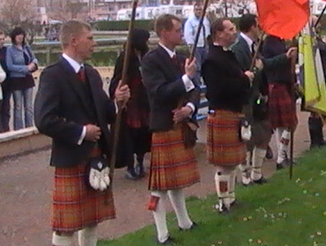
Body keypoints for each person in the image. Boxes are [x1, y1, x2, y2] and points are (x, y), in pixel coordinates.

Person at [34, 20, 130, 246]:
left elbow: (104, 112)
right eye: (90, 38)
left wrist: (117, 103)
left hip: (95, 156)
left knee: (91, 219)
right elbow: (44, 120)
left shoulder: (92, 74)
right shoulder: (53, 75)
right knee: (66, 225)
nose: (94, 44)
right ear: (74, 41)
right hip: (71, 157)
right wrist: (80, 132)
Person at [141, 14, 200, 245]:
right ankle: (162, 234)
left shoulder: (183, 58)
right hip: (164, 125)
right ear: (164, 32)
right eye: (177, 30)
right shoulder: (151, 60)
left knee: (175, 181)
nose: (181, 34)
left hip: (180, 123)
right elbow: (159, 93)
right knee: (160, 185)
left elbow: (194, 87)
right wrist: (186, 78)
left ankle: (185, 222)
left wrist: (189, 107)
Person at [203, 18, 254, 212]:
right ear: (219, 34)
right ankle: (223, 202)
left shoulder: (227, 55)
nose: (234, 32)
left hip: (233, 112)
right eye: (230, 29)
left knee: (232, 162)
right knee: (223, 164)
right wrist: (244, 79)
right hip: (222, 112)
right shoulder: (212, 60)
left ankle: (231, 198)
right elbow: (218, 90)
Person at [231, 14, 270, 185]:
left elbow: (263, 67)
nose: (260, 27)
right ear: (252, 27)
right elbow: (240, 74)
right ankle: (245, 176)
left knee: (263, 134)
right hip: (245, 100)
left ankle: (256, 173)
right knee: (246, 139)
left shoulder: (254, 46)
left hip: (257, 99)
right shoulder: (238, 48)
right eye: (258, 24)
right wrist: (256, 68)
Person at [109, 29, 151, 180]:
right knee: (129, 137)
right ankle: (130, 167)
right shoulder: (125, 58)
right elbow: (116, 80)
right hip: (130, 103)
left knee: (142, 135)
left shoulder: (145, 56)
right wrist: (118, 92)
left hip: (143, 102)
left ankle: (140, 162)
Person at [261, 34, 299, 169]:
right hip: (276, 84)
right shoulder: (268, 43)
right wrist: (285, 56)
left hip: (286, 83)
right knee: (284, 124)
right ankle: (281, 158)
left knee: (289, 123)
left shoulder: (281, 40)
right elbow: (266, 65)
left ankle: (283, 155)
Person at [5, 26, 38, 129]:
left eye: (22, 35)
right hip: (16, 80)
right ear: (14, 37)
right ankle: (18, 128)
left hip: (27, 79)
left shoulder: (26, 48)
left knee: (28, 106)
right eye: (18, 35)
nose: (20, 37)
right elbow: (10, 66)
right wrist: (25, 68)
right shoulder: (10, 50)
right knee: (18, 106)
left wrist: (33, 64)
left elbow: (34, 58)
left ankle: (29, 127)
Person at [183, 2, 211, 84]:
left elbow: (208, 33)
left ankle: (207, 83)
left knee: (206, 66)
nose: (198, 11)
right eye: (197, 10)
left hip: (204, 46)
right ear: (194, 10)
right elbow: (188, 35)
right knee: (197, 67)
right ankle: (197, 85)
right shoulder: (190, 22)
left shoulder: (205, 21)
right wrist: (191, 47)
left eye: (200, 10)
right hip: (196, 47)